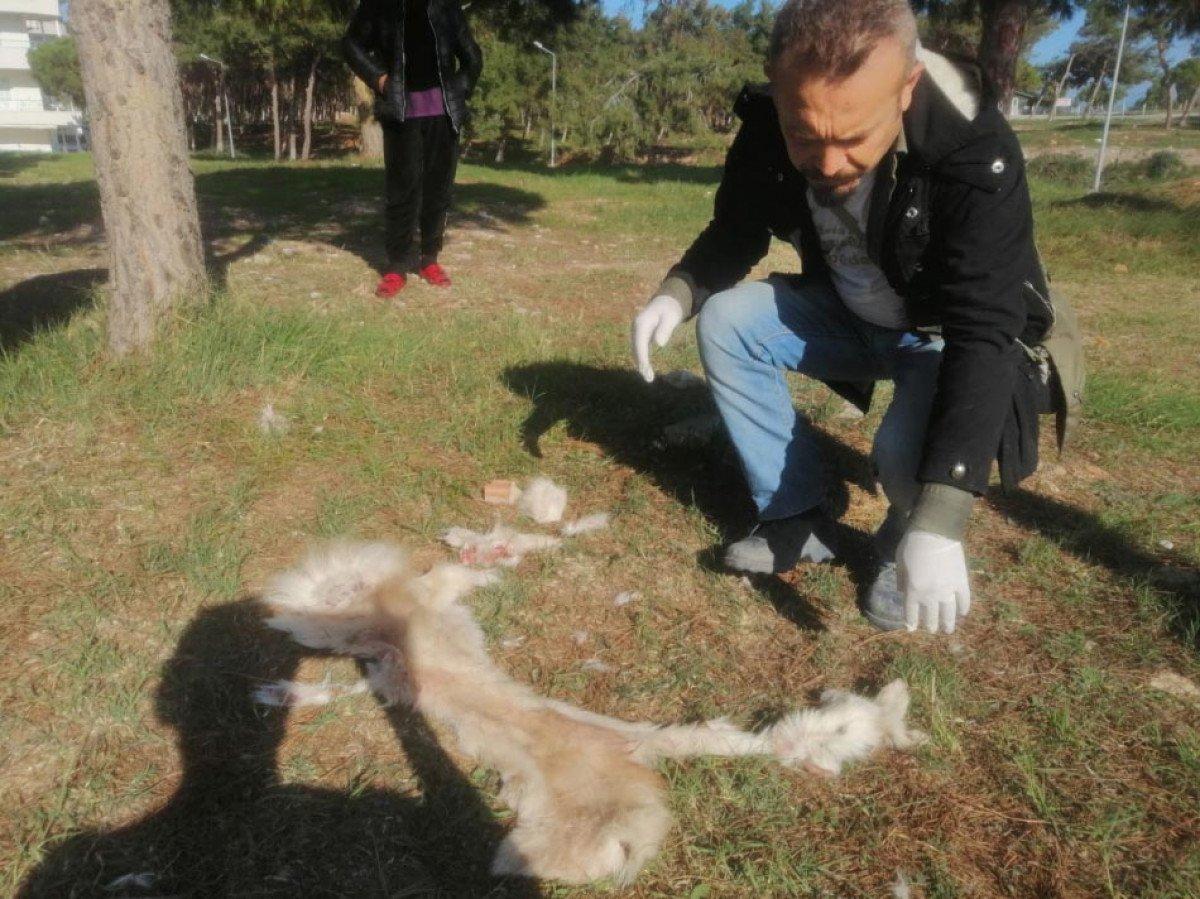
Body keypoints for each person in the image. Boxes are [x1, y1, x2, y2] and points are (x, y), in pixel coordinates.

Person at [631, 0, 1080, 635]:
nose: (830, 163)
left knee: (901, 457)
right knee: (727, 320)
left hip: (940, 334)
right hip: (849, 313)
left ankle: (902, 540)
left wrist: (941, 520)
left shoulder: (975, 146)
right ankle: (798, 513)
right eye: (805, 136)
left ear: (907, 89)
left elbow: (986, 325)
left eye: (853, 138)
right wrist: (675, 295)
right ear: (780, 94)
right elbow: (737, 228)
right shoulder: (765, 122)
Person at [343, 0, 483, 297]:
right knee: (401, 190)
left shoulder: (446, 5)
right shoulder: (378, 6)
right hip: (401, 111)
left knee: (438, 188)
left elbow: (472, 56)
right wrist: (378, 79)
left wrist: (462, 87)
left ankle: (429, 259)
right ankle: (396, 266)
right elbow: (351, 44)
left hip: (443, 113)